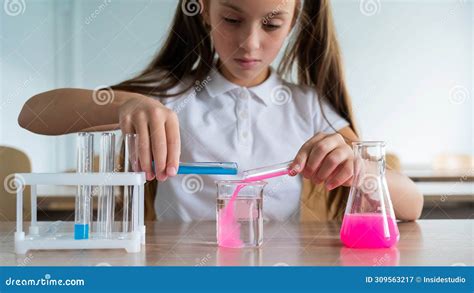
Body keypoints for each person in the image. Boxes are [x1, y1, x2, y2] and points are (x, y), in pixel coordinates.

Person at [18, 0, 423, 222]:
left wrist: (358, 165)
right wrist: (129, 103)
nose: (249, 44)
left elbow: (412, 205)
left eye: (272, 24)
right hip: (176, 273)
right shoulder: (168, 95)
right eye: (231, 19)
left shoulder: (310, 106)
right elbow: (33, 114)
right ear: (203, 10)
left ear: (296, 15)